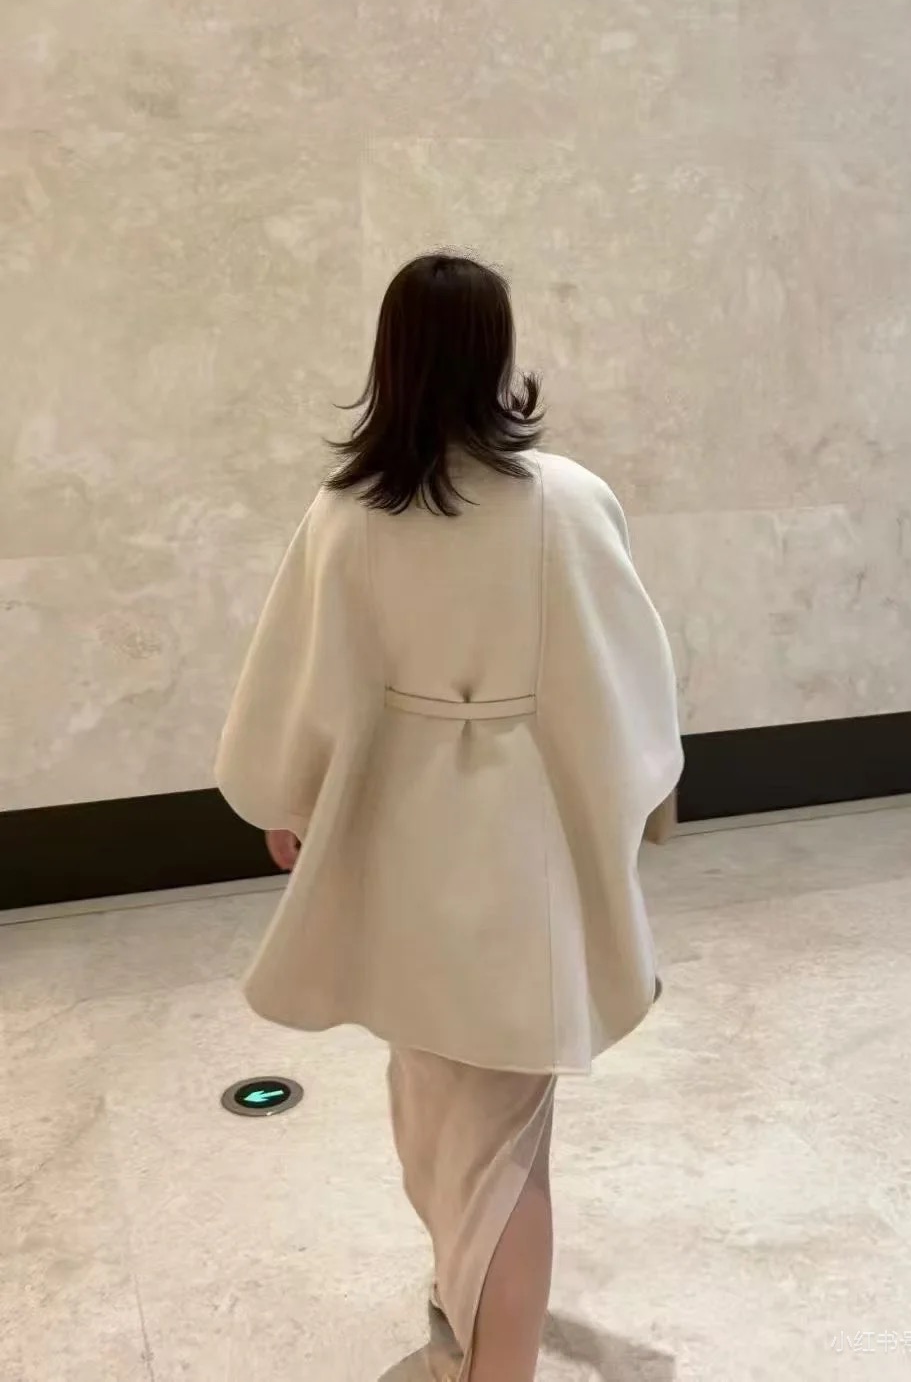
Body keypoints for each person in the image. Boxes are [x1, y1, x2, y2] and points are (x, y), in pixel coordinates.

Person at [216, 254, 683, 1382]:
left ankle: (493, 1359)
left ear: (393, 357)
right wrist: (633, 800)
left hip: (401, 844)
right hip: (524, 851)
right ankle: (477, 1323)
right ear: (495, 354)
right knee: (492, 1131)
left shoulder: (347, 514)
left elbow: (303, 683)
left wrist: (288, 802)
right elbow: (626, 674)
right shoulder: (566, 500)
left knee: (453, 1115)